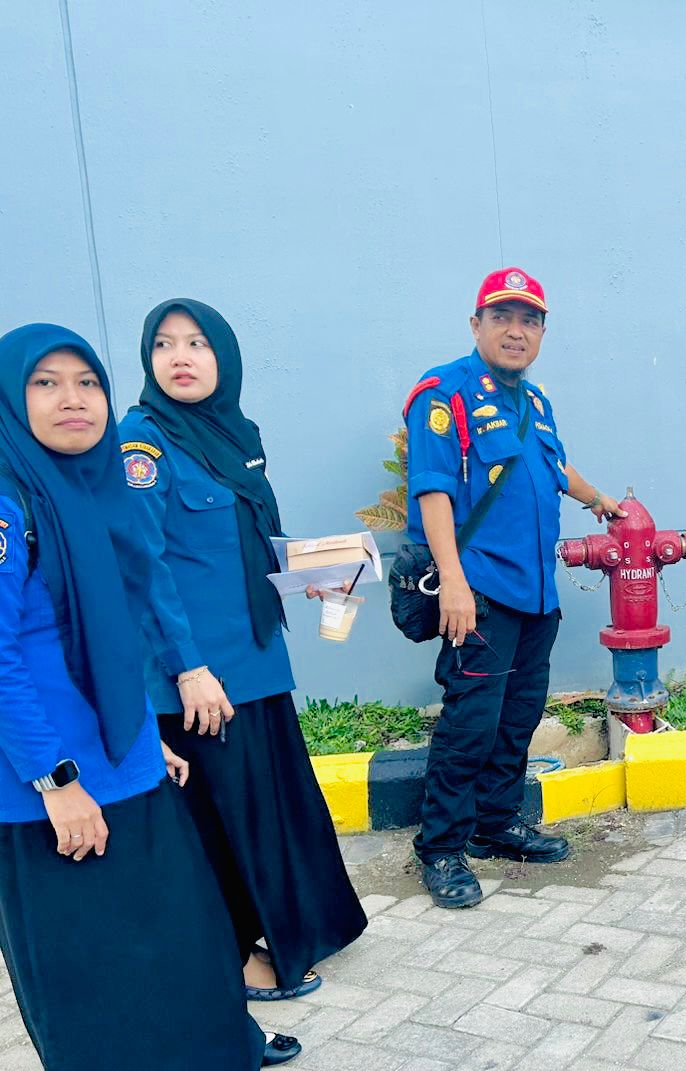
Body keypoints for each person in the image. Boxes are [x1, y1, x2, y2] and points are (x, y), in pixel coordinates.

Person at [0, 324, 299, 1071]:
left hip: (123, 760)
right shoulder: (9, 505)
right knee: (93, 964)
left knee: (179, 935)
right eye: (45, 384)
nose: (72, 401)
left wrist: (138, 742)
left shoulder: (87, 490)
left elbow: (112, 635)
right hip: (50, 788)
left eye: (87, 383)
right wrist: (57, 780)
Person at [119, 299, 367, 1002]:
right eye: (164, 345)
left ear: (224, 357)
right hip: (200, 678)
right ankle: (230, 957)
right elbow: (143, 567)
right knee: (220, 826)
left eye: (197, 343)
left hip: (256, 659)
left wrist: (317, 570)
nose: (179, 357)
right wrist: (188, 670)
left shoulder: (236, 433)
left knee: (277, 812)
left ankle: (303, 928)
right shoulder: (143, 443)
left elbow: (248, 538)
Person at [404, 268, 622, 909]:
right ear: (476, 325)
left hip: (536, 593)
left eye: (529, 320)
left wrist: (598, 499)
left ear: (542, 333)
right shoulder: (444, 393)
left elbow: (553, 465)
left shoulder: (535, 402)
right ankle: (441, 849)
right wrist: (453, 582)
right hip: (480, 592)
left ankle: (495, 825)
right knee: (470, 723)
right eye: (502, 317)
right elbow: (433, 491)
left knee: (517, 716)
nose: (516, 331)